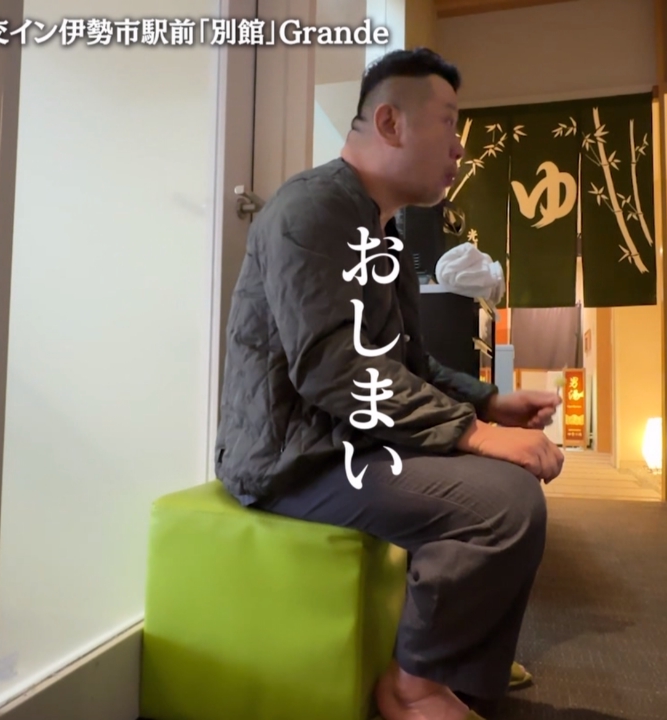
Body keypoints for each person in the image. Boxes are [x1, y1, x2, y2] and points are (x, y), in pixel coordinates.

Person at [214, 47, 565, 720]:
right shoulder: (312, 209)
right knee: (502, 506)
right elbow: (332, 368)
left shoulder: (384, 232)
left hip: (349, 439)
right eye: (449, 123)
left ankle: (454, 665)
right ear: (390, 122)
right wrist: (474, 433)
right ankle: (414, 687)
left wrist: (490, 401)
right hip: (293, 460)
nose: (459, 148)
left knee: (511, 486)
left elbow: (409, 363)